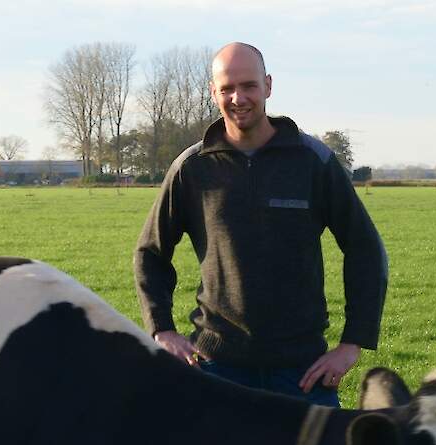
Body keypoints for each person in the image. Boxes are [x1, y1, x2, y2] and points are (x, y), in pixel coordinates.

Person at [133, 42, 388, 407]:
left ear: (268, 85)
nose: (239, 98)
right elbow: (150, 253)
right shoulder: (193, 167)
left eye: (249, 85)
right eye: (227, 88)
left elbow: (364, 248)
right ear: (213, 92)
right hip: (216, 369)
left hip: (302, 374)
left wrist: (352, 343)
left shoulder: (312, 161)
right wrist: (162, 330)